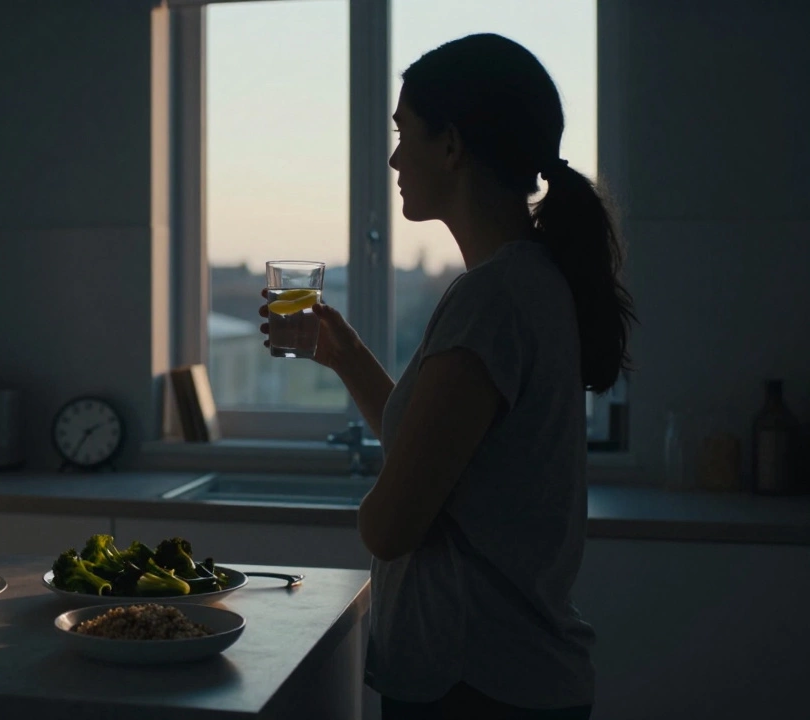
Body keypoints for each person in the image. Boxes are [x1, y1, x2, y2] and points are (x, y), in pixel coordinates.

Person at [259, 33, 636, 719]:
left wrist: (377, 507)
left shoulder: (491, 298)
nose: (397, 157)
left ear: (453, 147)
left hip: (475, 686)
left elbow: (390, 528)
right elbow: (444, 451)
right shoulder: (528, 281)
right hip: (511, 676)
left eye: (407, 133)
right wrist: (345, 356)